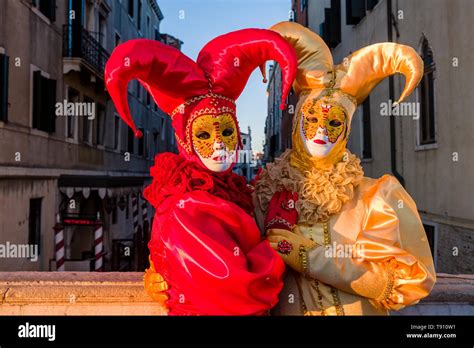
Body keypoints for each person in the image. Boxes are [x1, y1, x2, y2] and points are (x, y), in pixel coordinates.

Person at [104, 28, 297, 315]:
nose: (219, 144)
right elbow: (242, 290)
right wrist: (279, 236)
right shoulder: (185, 206)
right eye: (205, 135)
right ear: (185, 139)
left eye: (228, 131)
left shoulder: (223, 192)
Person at [253, 21, 436, 315]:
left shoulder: (376, 196)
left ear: (347, 129)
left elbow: (406, 283)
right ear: (297, 120)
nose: (320, 132)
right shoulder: (264, 194)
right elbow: (231, 263)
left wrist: (307, 256)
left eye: (334, 123)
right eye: (310, 120)